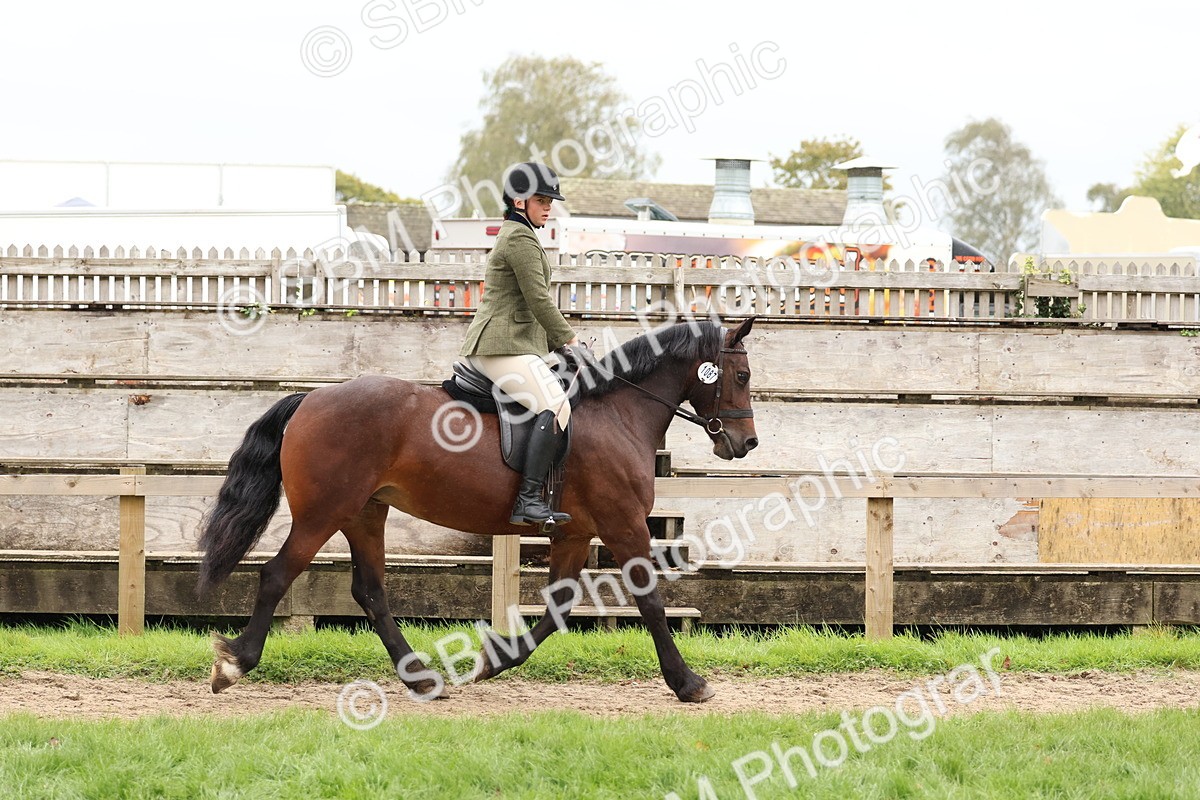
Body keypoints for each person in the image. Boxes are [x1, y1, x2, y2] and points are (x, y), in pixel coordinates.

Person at [459, 162, 579, 527]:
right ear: (518, 200)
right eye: (542, 200)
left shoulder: (521, 234)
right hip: (501, 345)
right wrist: (569, 341)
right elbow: (539, 299)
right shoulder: (519, 238)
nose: (549, 207)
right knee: (557, 405)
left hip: (515, 344)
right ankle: (528, 500)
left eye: (550, 200)